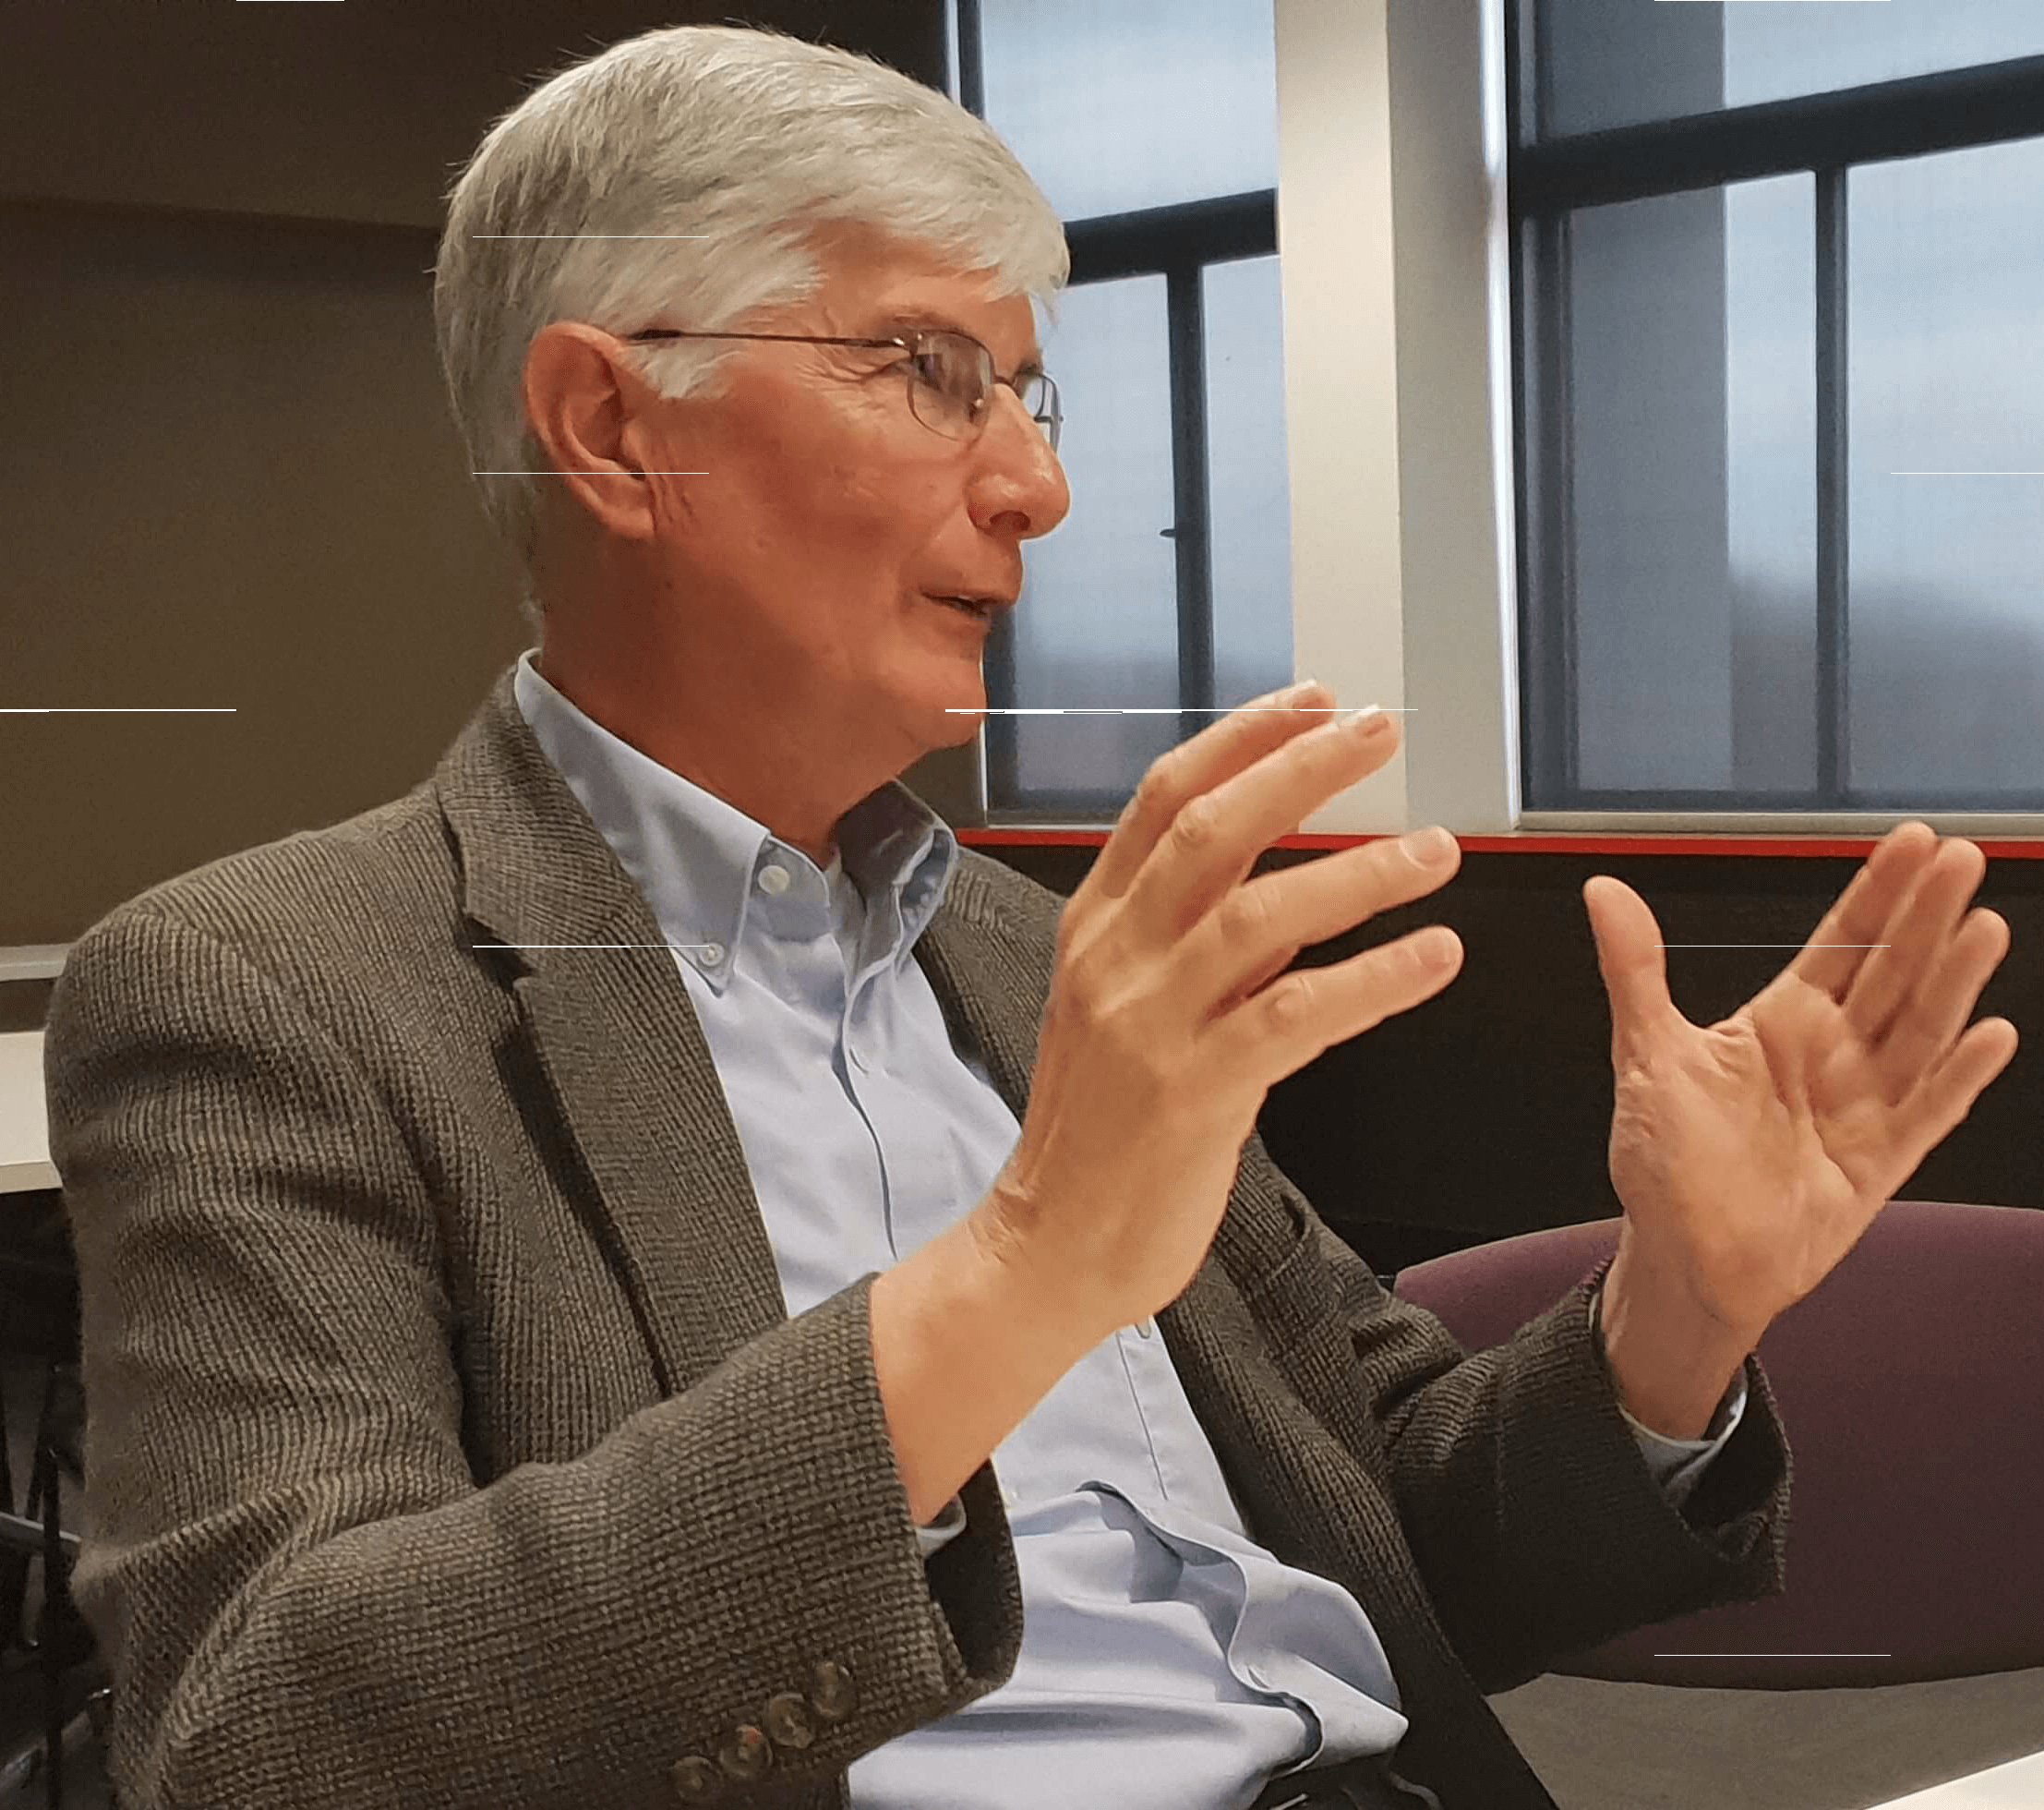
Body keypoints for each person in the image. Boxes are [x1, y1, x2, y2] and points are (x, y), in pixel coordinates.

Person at [42, 23, 2017, 1810]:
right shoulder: (277, 989)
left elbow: (1409, 1529)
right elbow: (261, 1732)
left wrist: (1680, 1310)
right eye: (929, 372)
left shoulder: (1017, 947)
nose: (1041, 489)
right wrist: (1018, 1272)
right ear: (616, 426)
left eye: (1026, 394)